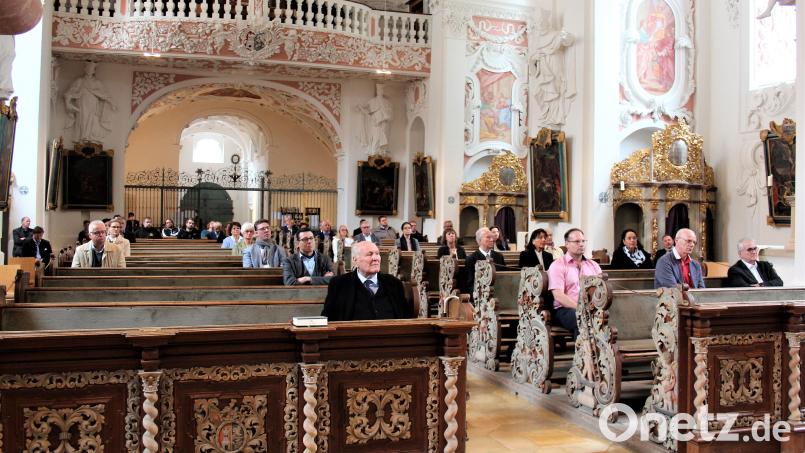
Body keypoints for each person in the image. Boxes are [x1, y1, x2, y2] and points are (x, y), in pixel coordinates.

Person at [321, 240, 411, 321]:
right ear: (355, 260)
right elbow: (328, 318)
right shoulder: (339, 284)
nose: (375, 258)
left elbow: (406, 318)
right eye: (369, 254)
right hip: (352, 337)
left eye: (377, 254)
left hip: (391, 336)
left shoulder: (394, 283)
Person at [547, 228, 602, 338]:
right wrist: (581, 308)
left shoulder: (593, 265)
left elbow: (602, 289)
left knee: (608, 315)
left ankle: (608, 352)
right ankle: (585, 353)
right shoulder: (557, 265)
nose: (581, 244)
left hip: (591, 308)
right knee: (582, 317)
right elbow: (558, 296)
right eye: (577, 241)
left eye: (583, 241)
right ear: (567, 244)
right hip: (565, 310)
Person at [64, 61, 116, 143]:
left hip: (92, 103)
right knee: (82, 118)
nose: (89, 70)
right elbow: (70, 92)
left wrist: (112, 103)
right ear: (85, 69)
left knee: (91, 119)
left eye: (91, 69)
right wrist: (68, 102)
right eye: (88, 68)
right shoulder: (80, 81)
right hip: (81, 103)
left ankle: (88, 137)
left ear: (94, 71)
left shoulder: (97, 82)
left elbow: (104, 94)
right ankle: (81, 137)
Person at [464, 227, 506, 295]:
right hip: (479, 296)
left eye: (492, 237)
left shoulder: (499, 257)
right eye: (488, 237)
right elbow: (470, 283)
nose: (492, 240)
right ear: (480, 240)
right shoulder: (471, 259)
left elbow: (504, 278)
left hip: (499, 293)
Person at [358, 83, 393, 155]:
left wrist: (384, 118)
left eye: (381, 89)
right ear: (377, 90)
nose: (380, 91)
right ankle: (374, 153)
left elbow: (390, 115)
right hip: (375, 124)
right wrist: (360, 108)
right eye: (379, 89)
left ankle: (382, 152)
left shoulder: (387, 102)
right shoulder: (372, 101)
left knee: (384, 138)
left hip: (383, 123)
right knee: (376, 138)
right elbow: (365, 108)